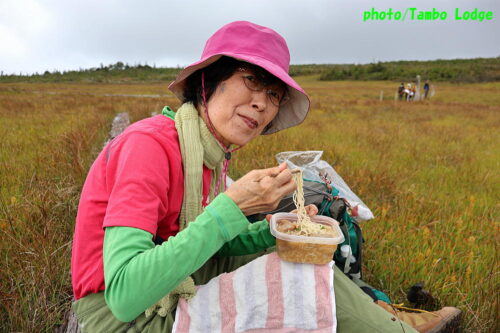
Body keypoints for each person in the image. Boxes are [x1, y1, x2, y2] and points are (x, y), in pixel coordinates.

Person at [70, 21, 460, 332]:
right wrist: (231, 207)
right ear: (208, 82)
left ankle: (383, 318)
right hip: (120, 317)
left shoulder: (207, 152)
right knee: (297, 281)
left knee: (292, 252)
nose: (261, 102)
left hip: (167, 281)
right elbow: (124, 294)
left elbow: (190, 238)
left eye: (274, 93)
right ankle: (394, 328)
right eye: (251, 79)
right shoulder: (149, 146)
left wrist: (270, 229)